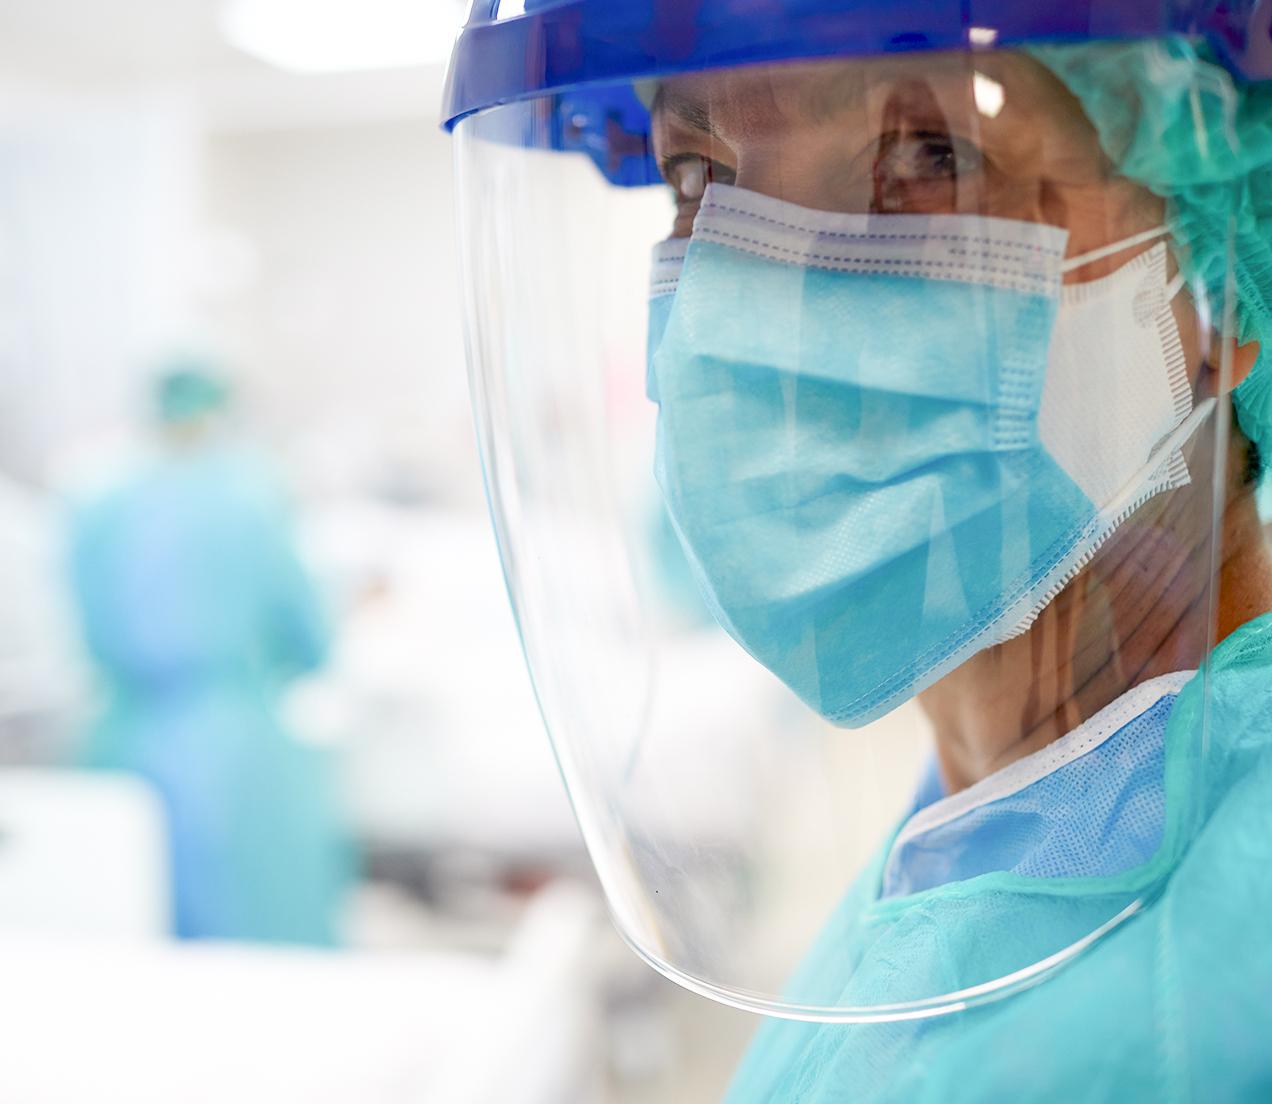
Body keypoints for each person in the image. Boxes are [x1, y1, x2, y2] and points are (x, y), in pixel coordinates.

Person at [444, 4, 1272, 1099]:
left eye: (928, 155)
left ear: (1213, 286)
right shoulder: (989, 844)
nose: (759, 299)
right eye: (697, 177)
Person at [68, 360, 351, 944]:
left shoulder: (97, 501)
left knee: (130, 933)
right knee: (259, 944)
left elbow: (84, 633)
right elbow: (307, 635)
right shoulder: (251, 496)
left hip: (122, 743)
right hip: (239, 749)